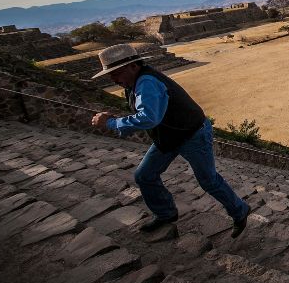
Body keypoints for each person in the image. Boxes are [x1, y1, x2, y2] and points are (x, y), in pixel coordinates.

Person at [90, 44, 250, 237]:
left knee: (208, 180)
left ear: (133, 66)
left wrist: (112, 123)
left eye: (116, 73)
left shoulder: (147, 82)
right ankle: (165, 214)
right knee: (144, 175)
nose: (114, 79)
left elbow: (149, 117)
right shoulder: (135, 83)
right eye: (111, 76)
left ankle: (240, 210)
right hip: (169, 136)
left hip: (192, 135)